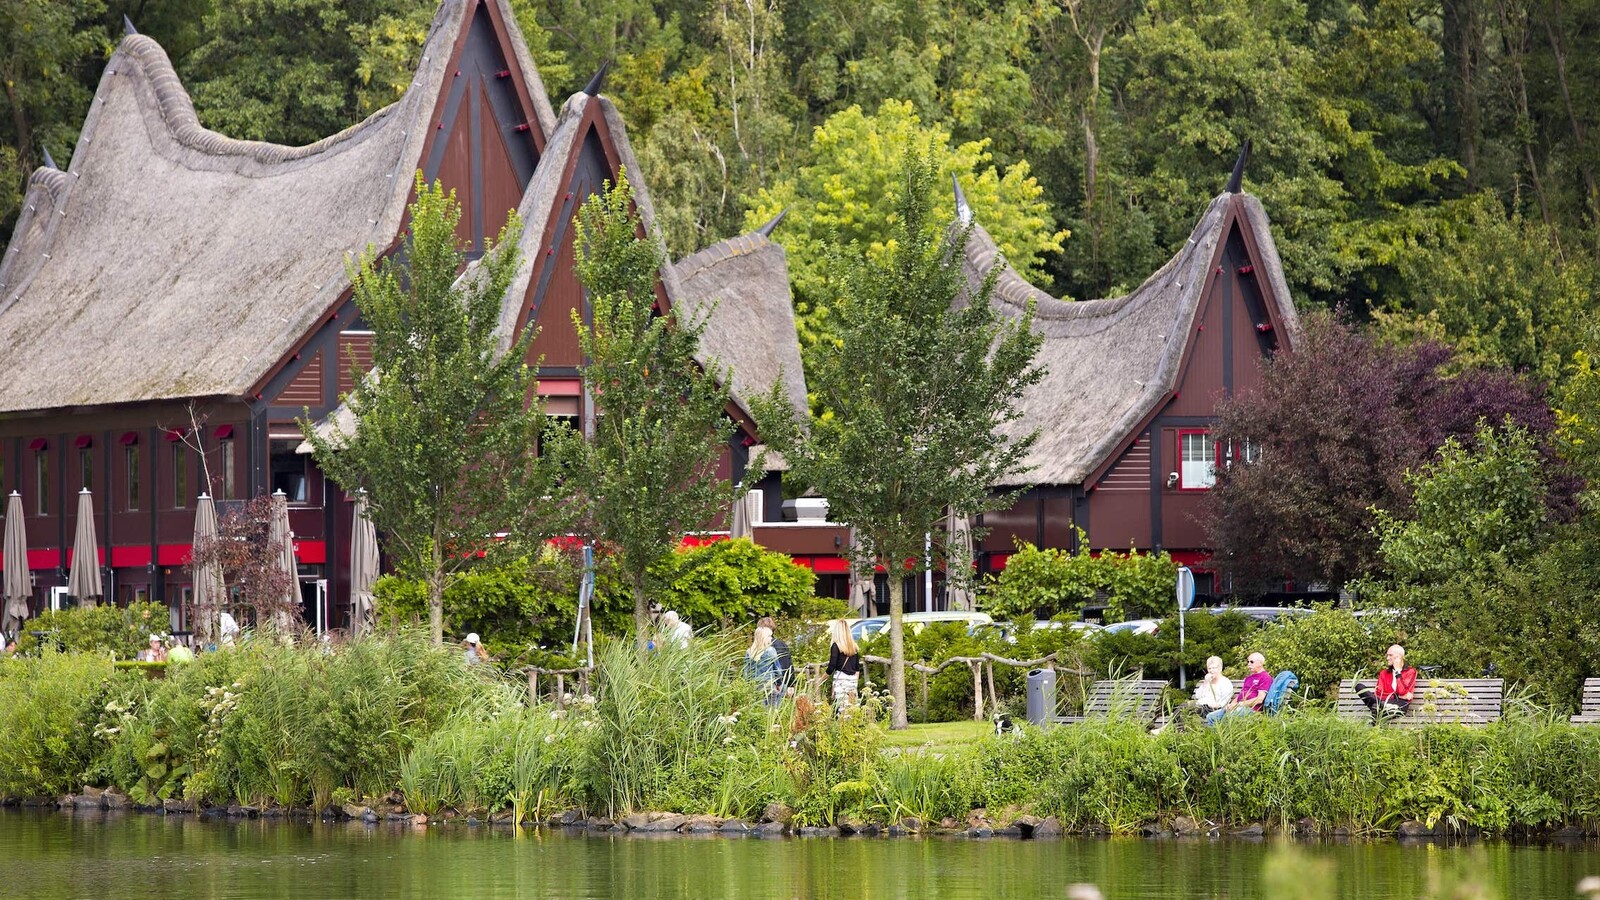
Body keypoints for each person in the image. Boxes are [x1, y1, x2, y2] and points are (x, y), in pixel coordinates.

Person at [1355, 644, 1416, 724]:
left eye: (1390, 655)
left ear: (1399, 657)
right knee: (1359, 687)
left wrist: (1398, 672)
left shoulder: (1410, 672)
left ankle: (1381, 708)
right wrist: (1396, 696)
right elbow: (1378, 693)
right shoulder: (1383, 673)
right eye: (1387, 655)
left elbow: (1402, 691)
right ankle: (1384, 706)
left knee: (1375, 709)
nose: (1387, 658)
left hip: (1400, 705)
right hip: (1382, 702)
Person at [1206, 652, 1271, 725]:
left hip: (1252, 709)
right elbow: (1241, 695)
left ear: (1260, 663)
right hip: (1239, 707)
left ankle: (1227, 736)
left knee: (1227, 718)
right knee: (1211, 717)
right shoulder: (1248, 678)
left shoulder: (1265, 677)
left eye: (1251, 662)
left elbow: (1260, 699)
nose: (1249, 664)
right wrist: (1231, 705)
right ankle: (1216, 736)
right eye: (1248, 662)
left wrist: (1240, 704)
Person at [825, 619, 861, 708]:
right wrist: (854, 683)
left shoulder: (836, 646)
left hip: (841, 679)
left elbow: (831, 667)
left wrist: (821, 679)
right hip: (852, 680)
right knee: (852, 708)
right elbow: (857, 669)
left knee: (842, 708)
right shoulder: (854, 647)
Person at [743, 626, 781, 705]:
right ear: (764, 637)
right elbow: (778, 670)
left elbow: (745, 672)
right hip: (769, 685)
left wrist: (747, 685)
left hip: (754, 686)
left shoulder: (749, 652)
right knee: (771, 711)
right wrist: (778, 683)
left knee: (757, 709)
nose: (771, 638)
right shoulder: (771, 651)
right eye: (769, 636)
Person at [757, 616, 794, 695]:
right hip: (782, 684)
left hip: (764, 685)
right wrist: (791, 684)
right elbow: (788, 665)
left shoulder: (758, 647)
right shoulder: (782, 644)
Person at [1191, 655, 1234, 720]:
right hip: (1200, 706)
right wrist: (1206, 682)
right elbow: (1198, 696)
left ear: (1220, 669)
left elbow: (1225, 701)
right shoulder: (1208, 681)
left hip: (1212, 709)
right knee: (1182, 708)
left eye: (1214, 668)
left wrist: (1215, 705)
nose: (1211, 671)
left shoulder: (1225, 682)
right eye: (1209, 668)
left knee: (1187, 711)